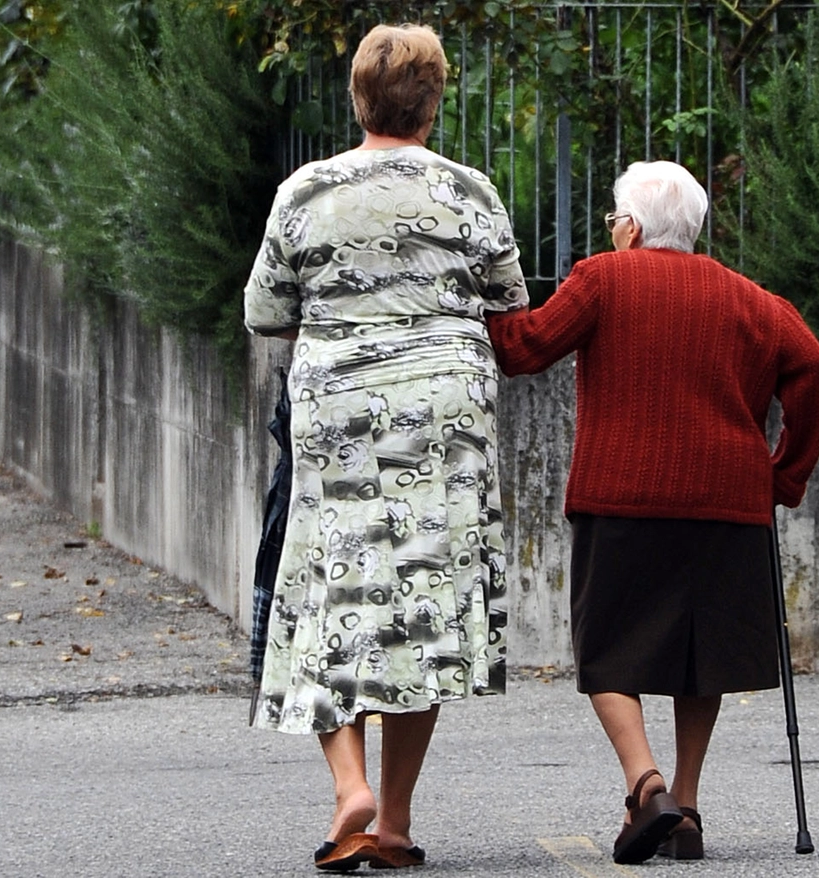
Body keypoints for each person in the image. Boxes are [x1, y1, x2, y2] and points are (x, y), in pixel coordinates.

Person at [243, 23, 528, 872]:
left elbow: (265, 312)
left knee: (327, 586)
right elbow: (509, 302)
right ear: (434, 102)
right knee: (424, 604)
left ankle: (348, 791)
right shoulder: (470, 192)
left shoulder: (306, 190)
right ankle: (395, 823)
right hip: (446, 410)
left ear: (357, 98)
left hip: (340, 409)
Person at [487, 160, 819, 864]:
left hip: (622, 497)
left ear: (634, 226)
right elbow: (814, 368)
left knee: (606, 650)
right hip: (729, 505)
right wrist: (783, 476)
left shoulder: (604, 280)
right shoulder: (751, 300)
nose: (612, 229)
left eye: (616, 218)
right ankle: (687, 806)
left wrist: (485, 295)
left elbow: (522, 350)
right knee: (697, 660)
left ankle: (646, 786)